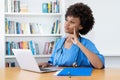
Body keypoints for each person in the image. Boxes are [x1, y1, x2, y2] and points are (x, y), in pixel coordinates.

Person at [39, 2, 104, 69]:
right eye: (66, 20)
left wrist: (78, 44)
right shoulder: (59, 42)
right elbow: (53, 64)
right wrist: (47, 64)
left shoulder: (86, 43)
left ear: (81, 26)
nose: (66, 24)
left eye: (72, 22)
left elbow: (99, 65)